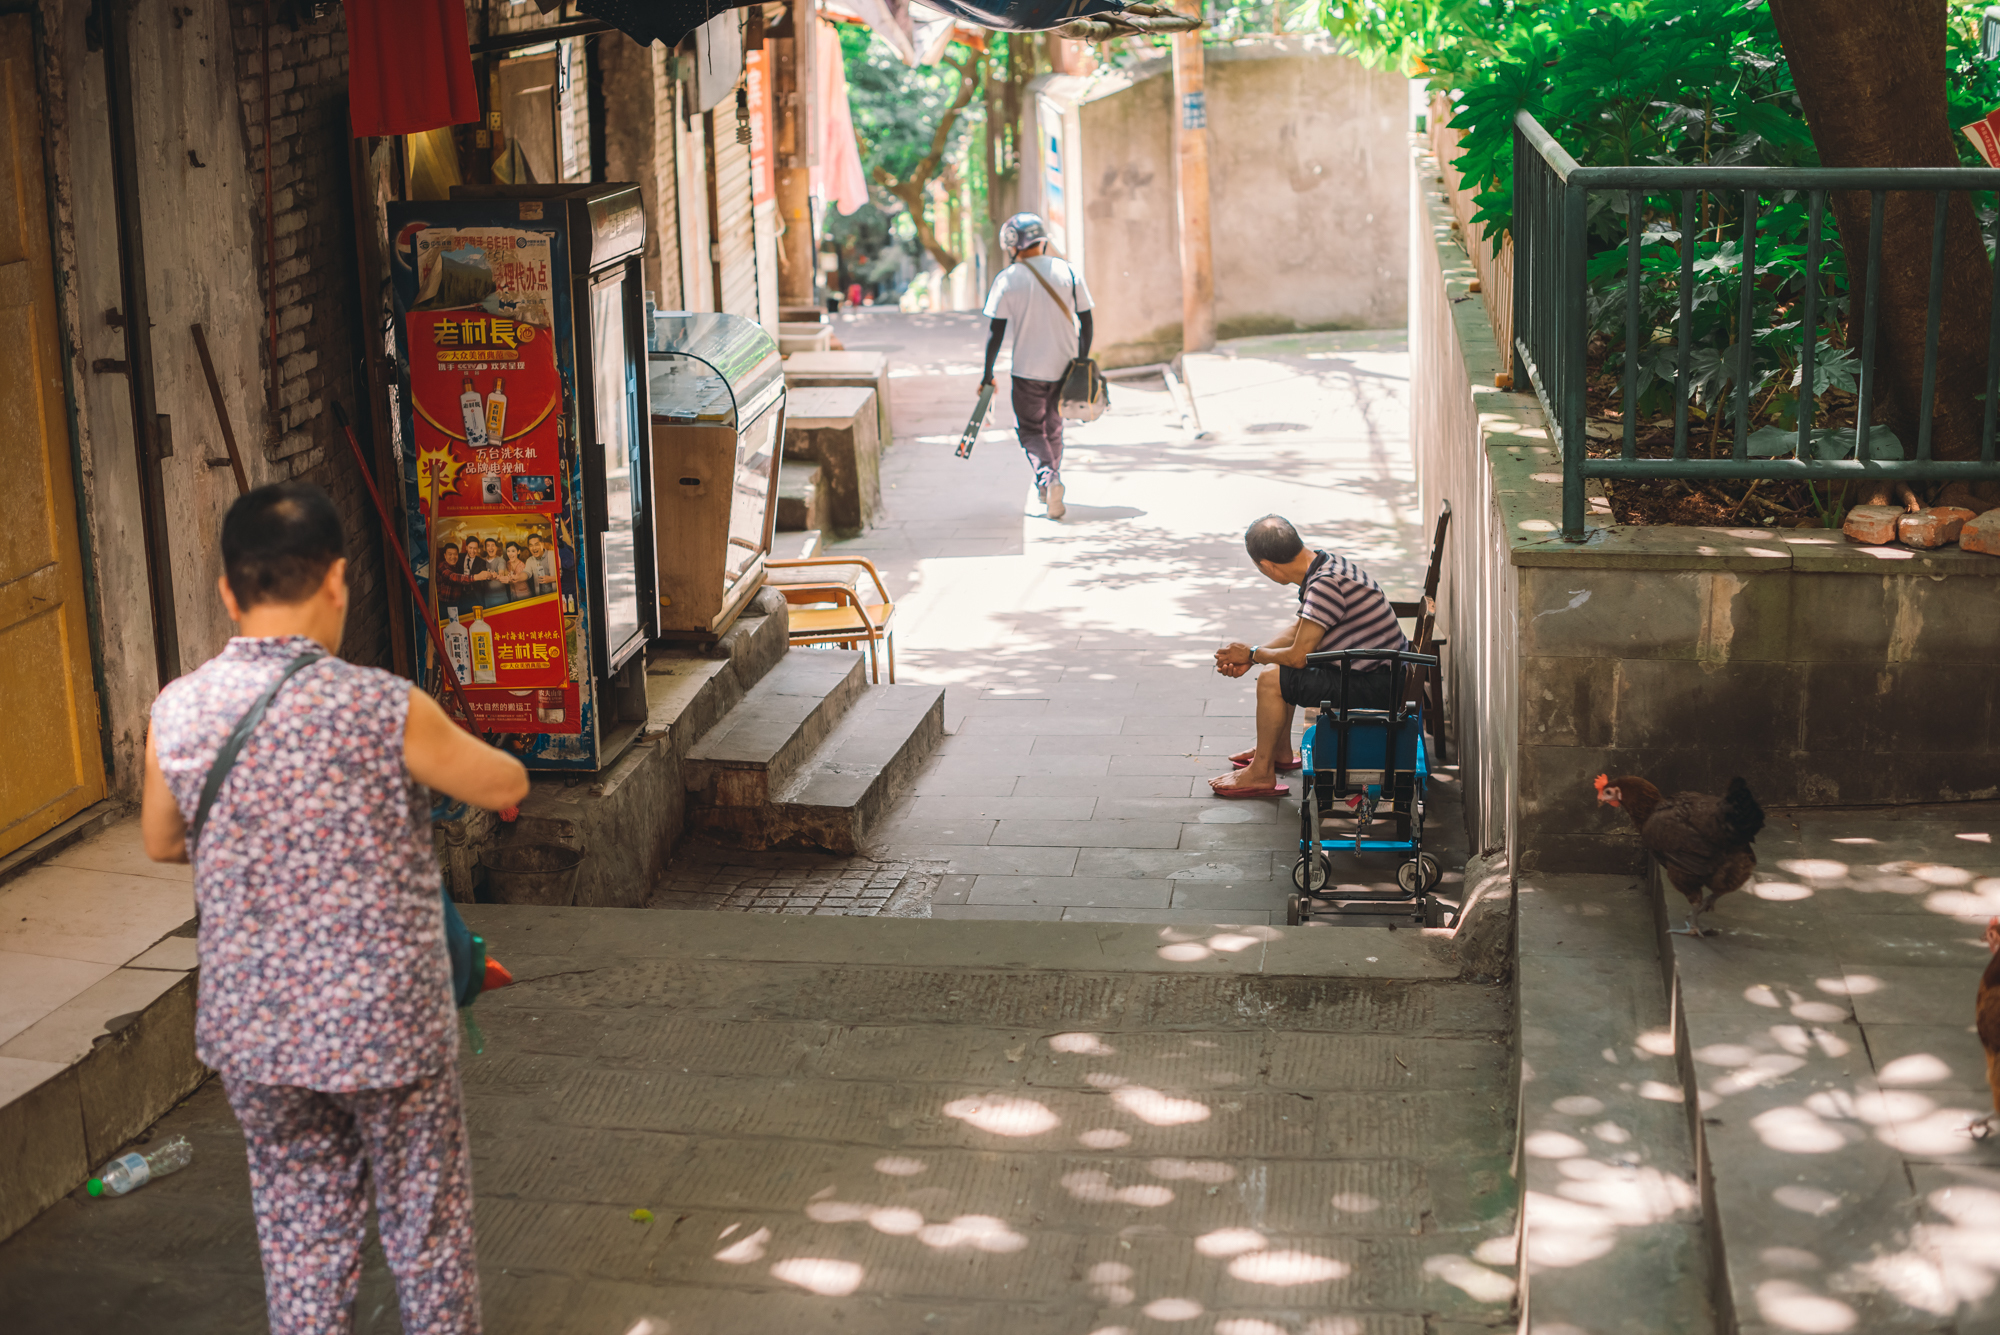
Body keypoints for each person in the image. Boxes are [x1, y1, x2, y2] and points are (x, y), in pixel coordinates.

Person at [141, 482, 528, 1335]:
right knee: (426, 1228)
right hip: (386, 1024)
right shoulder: (382, 705)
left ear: (229, 592)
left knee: (301, 1233)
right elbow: (503, 782)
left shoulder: (179, 709)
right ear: (337, 582)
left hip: (259, 1030)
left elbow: (162, 840)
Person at [1208, 514, 1409, 799]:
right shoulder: (1327, 564)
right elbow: (1301, 631)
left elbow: (1298, 657)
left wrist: (1253, 654)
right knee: (1277, 670)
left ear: (1266, 566)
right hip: (1382, 672)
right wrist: (1253, 656)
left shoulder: (1324, 585)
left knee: (1272, 679)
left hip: (1377, 685)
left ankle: (1261, 772)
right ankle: (1278, 751)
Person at [979, 211, 1094, 520]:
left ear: (1012, 245)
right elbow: (1087, 321)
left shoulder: (1007, 279)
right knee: (1053, 428)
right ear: (1042, 240)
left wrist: (988, 374)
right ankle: (1049, 483)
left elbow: (995, 333)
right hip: (1065, 369)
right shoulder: (1069, 272)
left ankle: (1047, 477)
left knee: (1031, 429)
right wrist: (1082, 362)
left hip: (1026, 371)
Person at [524, 530, 557, 596]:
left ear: (542, 544)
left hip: (555, 595)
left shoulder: (553, 555)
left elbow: (564, 575)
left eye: (536, 544)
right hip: (540, 596)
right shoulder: (530, 560)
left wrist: (551, 579)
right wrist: (517, 577)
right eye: (531, 545)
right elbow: (526, 573)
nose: (534, 548)